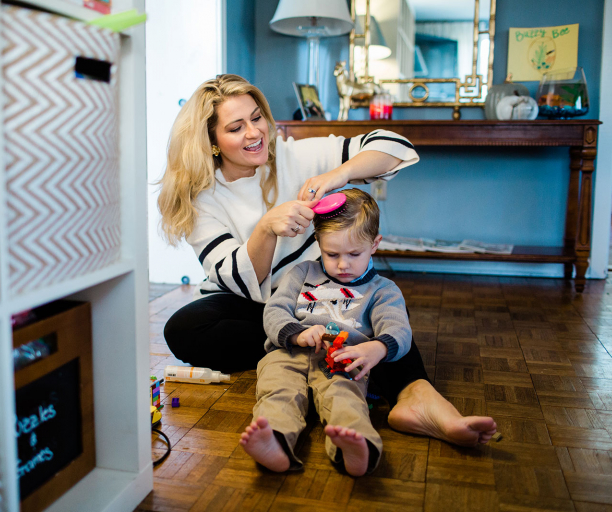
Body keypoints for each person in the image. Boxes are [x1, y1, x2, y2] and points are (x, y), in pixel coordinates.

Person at [157, 74, 497, 447]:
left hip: (322, 294)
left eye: (257, 118)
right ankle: (323, 352)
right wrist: (266, 229)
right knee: (184, 328)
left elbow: (395, 146)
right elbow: (241, 282)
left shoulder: (294, 155)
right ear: (212, 143)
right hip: (257, 302)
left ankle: (418, 396)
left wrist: (340, 174)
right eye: (236, 127)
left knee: (375, 305)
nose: (255, 133)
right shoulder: (202, 198)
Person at [242, 189, 422, 476]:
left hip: (341, 362)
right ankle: (274, 441)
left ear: (375, 244)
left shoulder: (383, 290)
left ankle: (355, 445)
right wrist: (296, 334)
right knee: (277, 391)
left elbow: (399, 329)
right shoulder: (302, 273)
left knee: (345, 397)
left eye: (354, 254)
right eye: (332, 253)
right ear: (318, 243)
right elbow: (274, 311)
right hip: (288, 354)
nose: (342, 264)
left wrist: (376, 348)